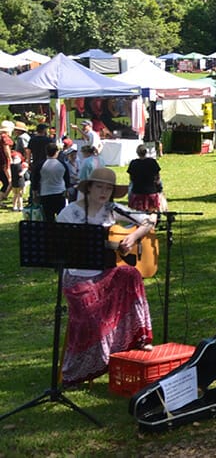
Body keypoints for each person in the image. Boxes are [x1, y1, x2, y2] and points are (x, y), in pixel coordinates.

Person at [57, 167, 156, 385]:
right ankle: (89, 364)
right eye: (100, 187)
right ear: (89, 188)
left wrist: (133, 238)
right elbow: (57, 246)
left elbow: (150, 220)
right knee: (91, 312)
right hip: (77, 278)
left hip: (105, 273)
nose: (104, 192)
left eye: (108, 188)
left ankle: (137, 339)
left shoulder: (112, 210)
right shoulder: (69, 214)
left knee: (131, 274)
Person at [39, 142, 70, 221]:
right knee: (61, 217)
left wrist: (35, 192)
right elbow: (67, 179)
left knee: (48, 218)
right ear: (57, 152)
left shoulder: (41, 165)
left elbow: (35, 179)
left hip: (45, 193)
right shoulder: (62, 164)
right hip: (60, 193)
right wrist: (67, 190)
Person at [127, 144, 162, 212]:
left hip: (137, 191)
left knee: (130, 185)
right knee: (160, 184)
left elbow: (131, 178)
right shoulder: (152, 162)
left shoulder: (133, 163)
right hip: (151, 191)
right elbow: (157, 177)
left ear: (137, 153)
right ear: (146, 152)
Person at [26, 122, 53, 203]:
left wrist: (28, 162)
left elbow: (28, 151)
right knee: (45, 181)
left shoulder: (32, 139)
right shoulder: (48, 140)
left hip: (35, 162)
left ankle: (32, 198)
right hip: (46, 163)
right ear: (44, 130)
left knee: (34, 181)